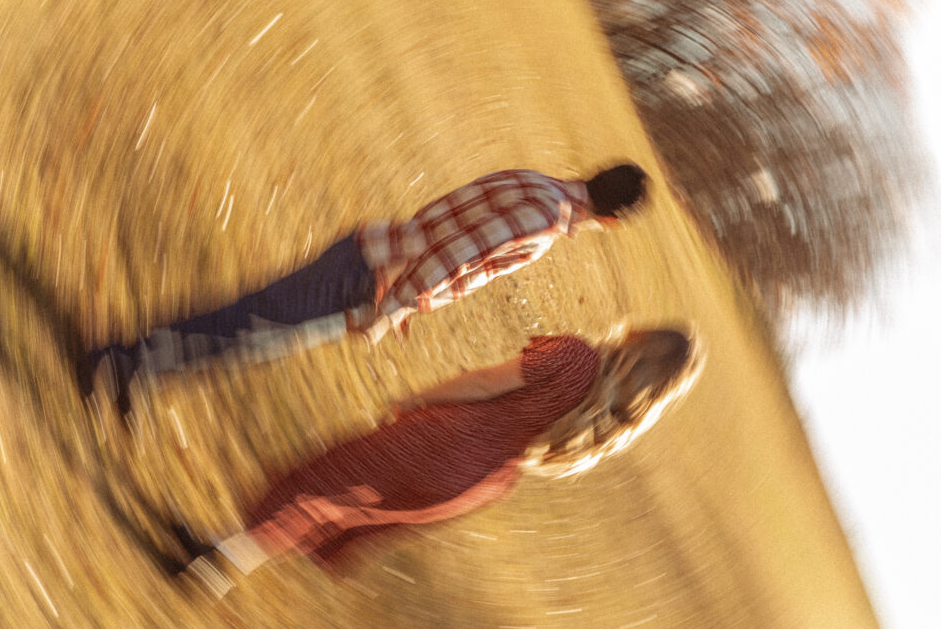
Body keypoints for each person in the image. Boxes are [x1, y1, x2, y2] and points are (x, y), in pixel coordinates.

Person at [172, 327, 703, 600]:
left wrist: (415, 399)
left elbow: (483, 384)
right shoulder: (610, 420)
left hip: (450, 437)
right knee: (340, 509)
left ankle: (220, 561)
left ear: (639, 337)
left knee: (323, 481)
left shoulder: (576, 356)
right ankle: (224, 556)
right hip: (481, 479)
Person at [79, 164, 649, 413]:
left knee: (252, 329)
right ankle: (117, 359)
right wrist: (390, 307)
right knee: (252, 330)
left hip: (374, 251)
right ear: (613, 222)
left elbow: (446, 217)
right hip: (367, 280)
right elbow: (457, 256)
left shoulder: (535, 180)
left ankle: (142, 366)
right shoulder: (545, 223)